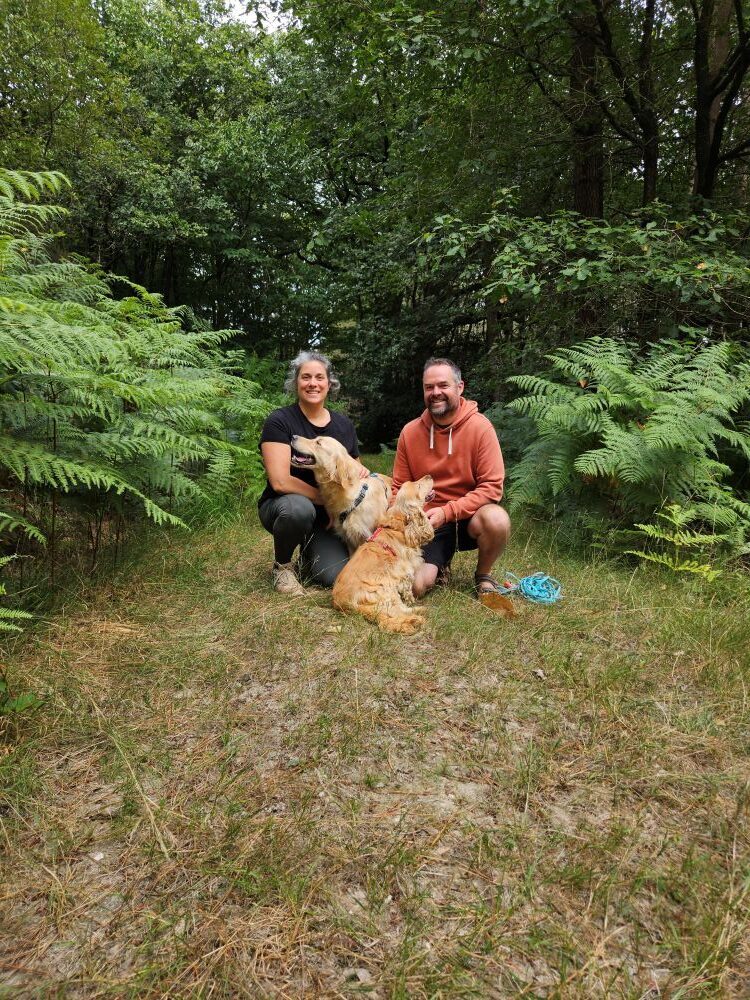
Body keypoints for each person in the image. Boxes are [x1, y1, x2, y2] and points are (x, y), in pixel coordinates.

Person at [392, 357, 511, 598]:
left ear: (460, 387)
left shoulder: (481, 428)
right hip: (427, 523)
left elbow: (492, 488)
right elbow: (398, 487)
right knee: (414, 587)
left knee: (497, 519)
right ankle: (440, 567)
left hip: (469, 518)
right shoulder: (410, 432)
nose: (436, 393)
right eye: (429, 387)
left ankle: (483, 575)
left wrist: (448, 512)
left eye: (443, 385)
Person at [258, 351, 367, 594]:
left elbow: (354, 476)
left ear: (329, 384)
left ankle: (309, 554)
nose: (313, 383)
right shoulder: (280, 421)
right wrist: (325, 501)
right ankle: (283, 567)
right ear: (296, 383)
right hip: (284, 508)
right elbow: (280, 481)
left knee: (333, 576)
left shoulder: (343, 426)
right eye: (305, 377)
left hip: (329, 519)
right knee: (298, 509)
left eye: (319, 377)